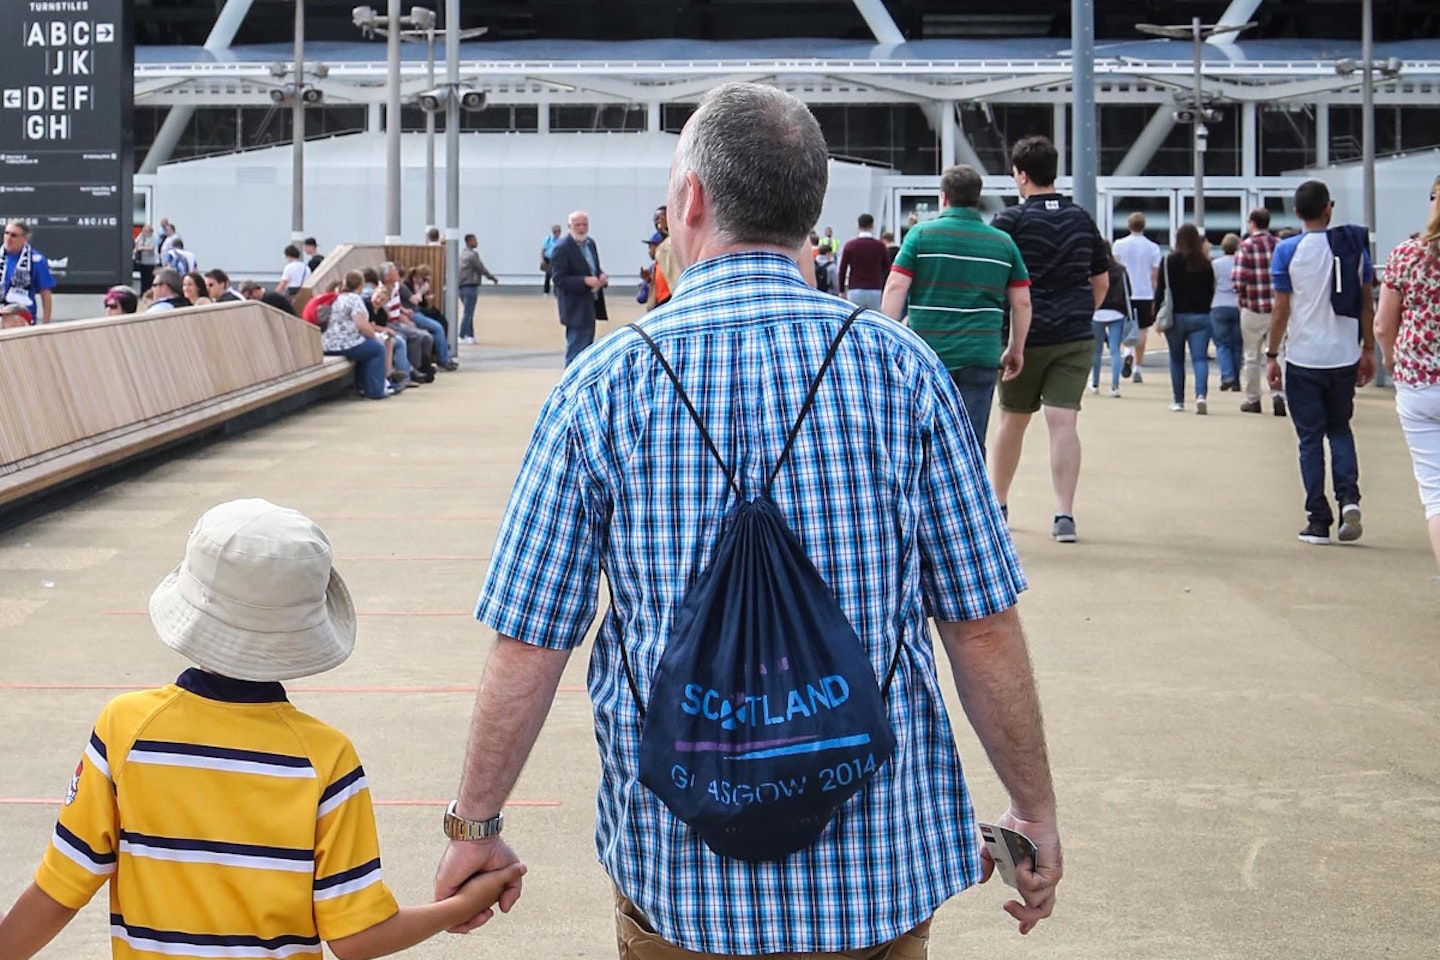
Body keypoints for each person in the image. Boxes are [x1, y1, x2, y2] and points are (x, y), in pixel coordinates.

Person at [436, 80, 1060, 959]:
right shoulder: (901, 372)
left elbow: (531, 639)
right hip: (874, 878)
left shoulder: (605, 384)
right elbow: (982, 625)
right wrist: (1032, 810)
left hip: (683, 878)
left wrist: (476, 827)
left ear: (689, 198)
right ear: (811, 211)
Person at [0, 498, 521, 960]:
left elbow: (60, 889)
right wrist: (460, 904)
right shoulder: (326, 758)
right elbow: (357, 938)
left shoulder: (126, 729)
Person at [989, 136, 1108, 543]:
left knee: (1012, 421)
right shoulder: (1081, 218)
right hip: (1074, 334)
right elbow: (1101, 279)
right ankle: (1064, 515)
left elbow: (996, 279)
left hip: (1025, 338)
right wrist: (1081, 311)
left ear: (1021, 174)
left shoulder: (1011, 222)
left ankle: (998, 505)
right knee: (1063, 423)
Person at [881, 163, 1031, 457]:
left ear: (943, 197)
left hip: (926, 354)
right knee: (971, 443)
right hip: (981, 354)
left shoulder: (920, 236)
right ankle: (969, 500)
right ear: (977, 198)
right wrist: (1016, 348)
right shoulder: (1003, 242)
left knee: (920, 441)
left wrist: (888, 338)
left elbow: (896, 287)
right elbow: (1022, 301)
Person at [1267, 179, 1375, 545]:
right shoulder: (1353, 249)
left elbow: (1281, 308)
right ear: (1329, 208)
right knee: (1340, 429)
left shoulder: (1286, 251)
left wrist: (1271, 354)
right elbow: (1366, 303)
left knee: (1309, 439)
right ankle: (1350, 499)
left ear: (1297, 213)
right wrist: (1369, 349)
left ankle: (1318, 519)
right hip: (1343, 354)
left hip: (1304, 356)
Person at [1375, 174, 1440, 570]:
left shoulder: (1406, 253)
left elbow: (1384, 323)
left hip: (1418, 380)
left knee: (1436, 494)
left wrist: (1389, 357)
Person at [1154, 223, 1215, 414]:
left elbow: (1161, 290)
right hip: (1201, 315)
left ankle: (1178, 400)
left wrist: (1157, 312)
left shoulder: (1169, 261)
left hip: (1175, 315)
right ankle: (1201, 396)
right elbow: (1210, 291)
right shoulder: (1205, 263)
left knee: (1176, 359)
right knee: (1199, 359)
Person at [1233, 208, 1286, 416]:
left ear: (1252, 223)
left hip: (1253, 308)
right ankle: (1278, 394)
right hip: (1277, 309)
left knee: (1251, 356)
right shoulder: (1279, 246)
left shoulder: (1245, 247)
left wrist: (1242, 296)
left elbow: (1239, 280)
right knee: (1278, 352)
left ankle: (1253, 399)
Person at [549, 209, 608, 365]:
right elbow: (559, 280)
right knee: (575, 351)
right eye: (577, 225)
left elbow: (593, 268)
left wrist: (601, 276)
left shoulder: (590, 244)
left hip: (591, 305)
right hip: (574, 307)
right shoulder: (562, 248)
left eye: (584, 224)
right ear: (569, 226)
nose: (582, 228)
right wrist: (584, 281)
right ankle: (570, 385)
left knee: (587, 351)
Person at [324, 269, 393, 400]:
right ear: (360, 285)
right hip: (345, 343)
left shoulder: (337, 297)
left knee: (367, 348)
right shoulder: (354, 299)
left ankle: (361, 386)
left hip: (328, 343)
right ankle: (375, 390)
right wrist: (375, 336)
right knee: (377, 349)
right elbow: (361, 325)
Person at [1111, 212, 1162, 381]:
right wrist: (1156, 297)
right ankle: (1137, 368)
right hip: (1144, 292)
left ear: (1129, 225)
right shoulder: (1153, 247)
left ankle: (1126, 351)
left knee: (1124, 326)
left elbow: (1115, 269)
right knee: (1142, 330)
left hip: (1124, 292)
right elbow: (1155, 276)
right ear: (1144, 226)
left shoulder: (1118, 245)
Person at [1091, 241, 1130, 398]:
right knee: (1115, 350)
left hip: (1097, 311)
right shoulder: (1120, 269)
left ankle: (1095, 383)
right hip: (1117, 311)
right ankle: (1115, 386)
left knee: (1097, 351)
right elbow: (1128, 291)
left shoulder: (1093, 268)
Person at [2, 221, 55, 325]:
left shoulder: (36, 260)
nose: (8, 238)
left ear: (24, 238)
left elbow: (45, 294)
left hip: (23, 320)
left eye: (14, 235)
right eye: (6, 233)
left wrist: (46, 324)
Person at [1211, 233, 1243, 392]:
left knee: (1222, 344)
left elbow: (1211, 285)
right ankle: (1236, 380)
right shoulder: (1241, 263)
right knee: (1238, 345)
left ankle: (1227, 374)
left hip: (1218, 304)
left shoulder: (1215, 264)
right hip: (1238, 305)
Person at [837, 213, 889, 311]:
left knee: (854, 319)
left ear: (858, 226)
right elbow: (886, 267)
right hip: (874, 288)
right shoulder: (880, 246)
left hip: (855, 289)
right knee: (874, 320)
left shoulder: (850, 246)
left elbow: (842, 269)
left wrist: (841, 290)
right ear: (872, 225)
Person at [458, 233, 500, 345]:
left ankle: (470, 335)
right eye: (474, 240)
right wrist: (492, 278)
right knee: (468, 313)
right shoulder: (472, 256)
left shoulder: (462, 254)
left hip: (461, 287)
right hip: (470, 286)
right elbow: (481, 268)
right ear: (469, 241)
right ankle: (461, 335)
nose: (477, 242)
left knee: (468, 312)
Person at [133, 225, 159, 292]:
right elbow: (136, 242)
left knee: (149, 279)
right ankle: (142, 292)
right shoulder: (142, 235)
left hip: (150, 262)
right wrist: (137, 248)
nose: (145, 233)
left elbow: (152, 248)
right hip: (142, 261)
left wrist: (141, 248)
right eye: (144, 231)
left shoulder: (154, 237)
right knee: (143, 278)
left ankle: (149, 292)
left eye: (146, 231)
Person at [541, 224, 562, 295]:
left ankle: (556, 292)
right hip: (548, 259)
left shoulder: (561, 241)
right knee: (548, 276)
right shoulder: (548, 239)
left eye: (558, 232)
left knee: (556, 276)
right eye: (555, 232)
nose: (557, 233)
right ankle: (546, 292)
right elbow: (543, 250)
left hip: (557, 260)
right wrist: (542, 259)